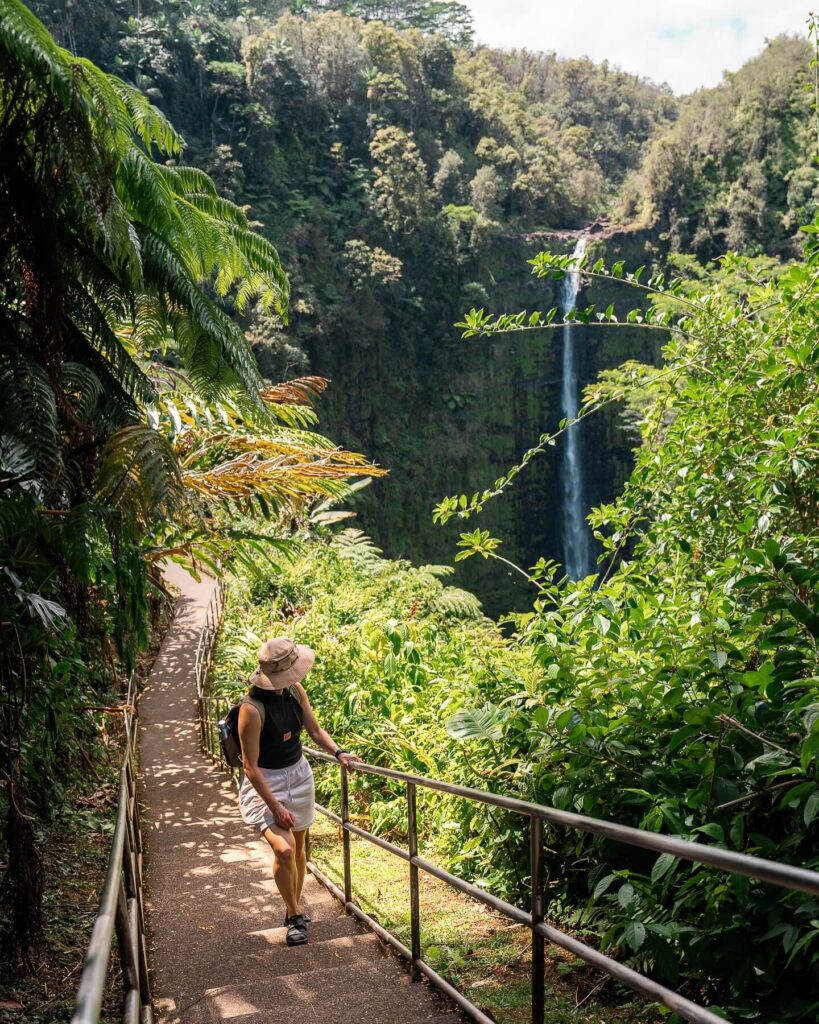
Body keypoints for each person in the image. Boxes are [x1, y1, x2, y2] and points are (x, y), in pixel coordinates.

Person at [237, 637, 361, 946]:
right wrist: (276, 807)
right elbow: (250, 767)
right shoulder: (250, 710)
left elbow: (315, 731)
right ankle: (294, 915)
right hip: (266, 782)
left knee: (301, 846)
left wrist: (339, 753)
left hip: (299, 775)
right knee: (286, 849)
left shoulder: (294, 691)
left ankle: (295, 907)